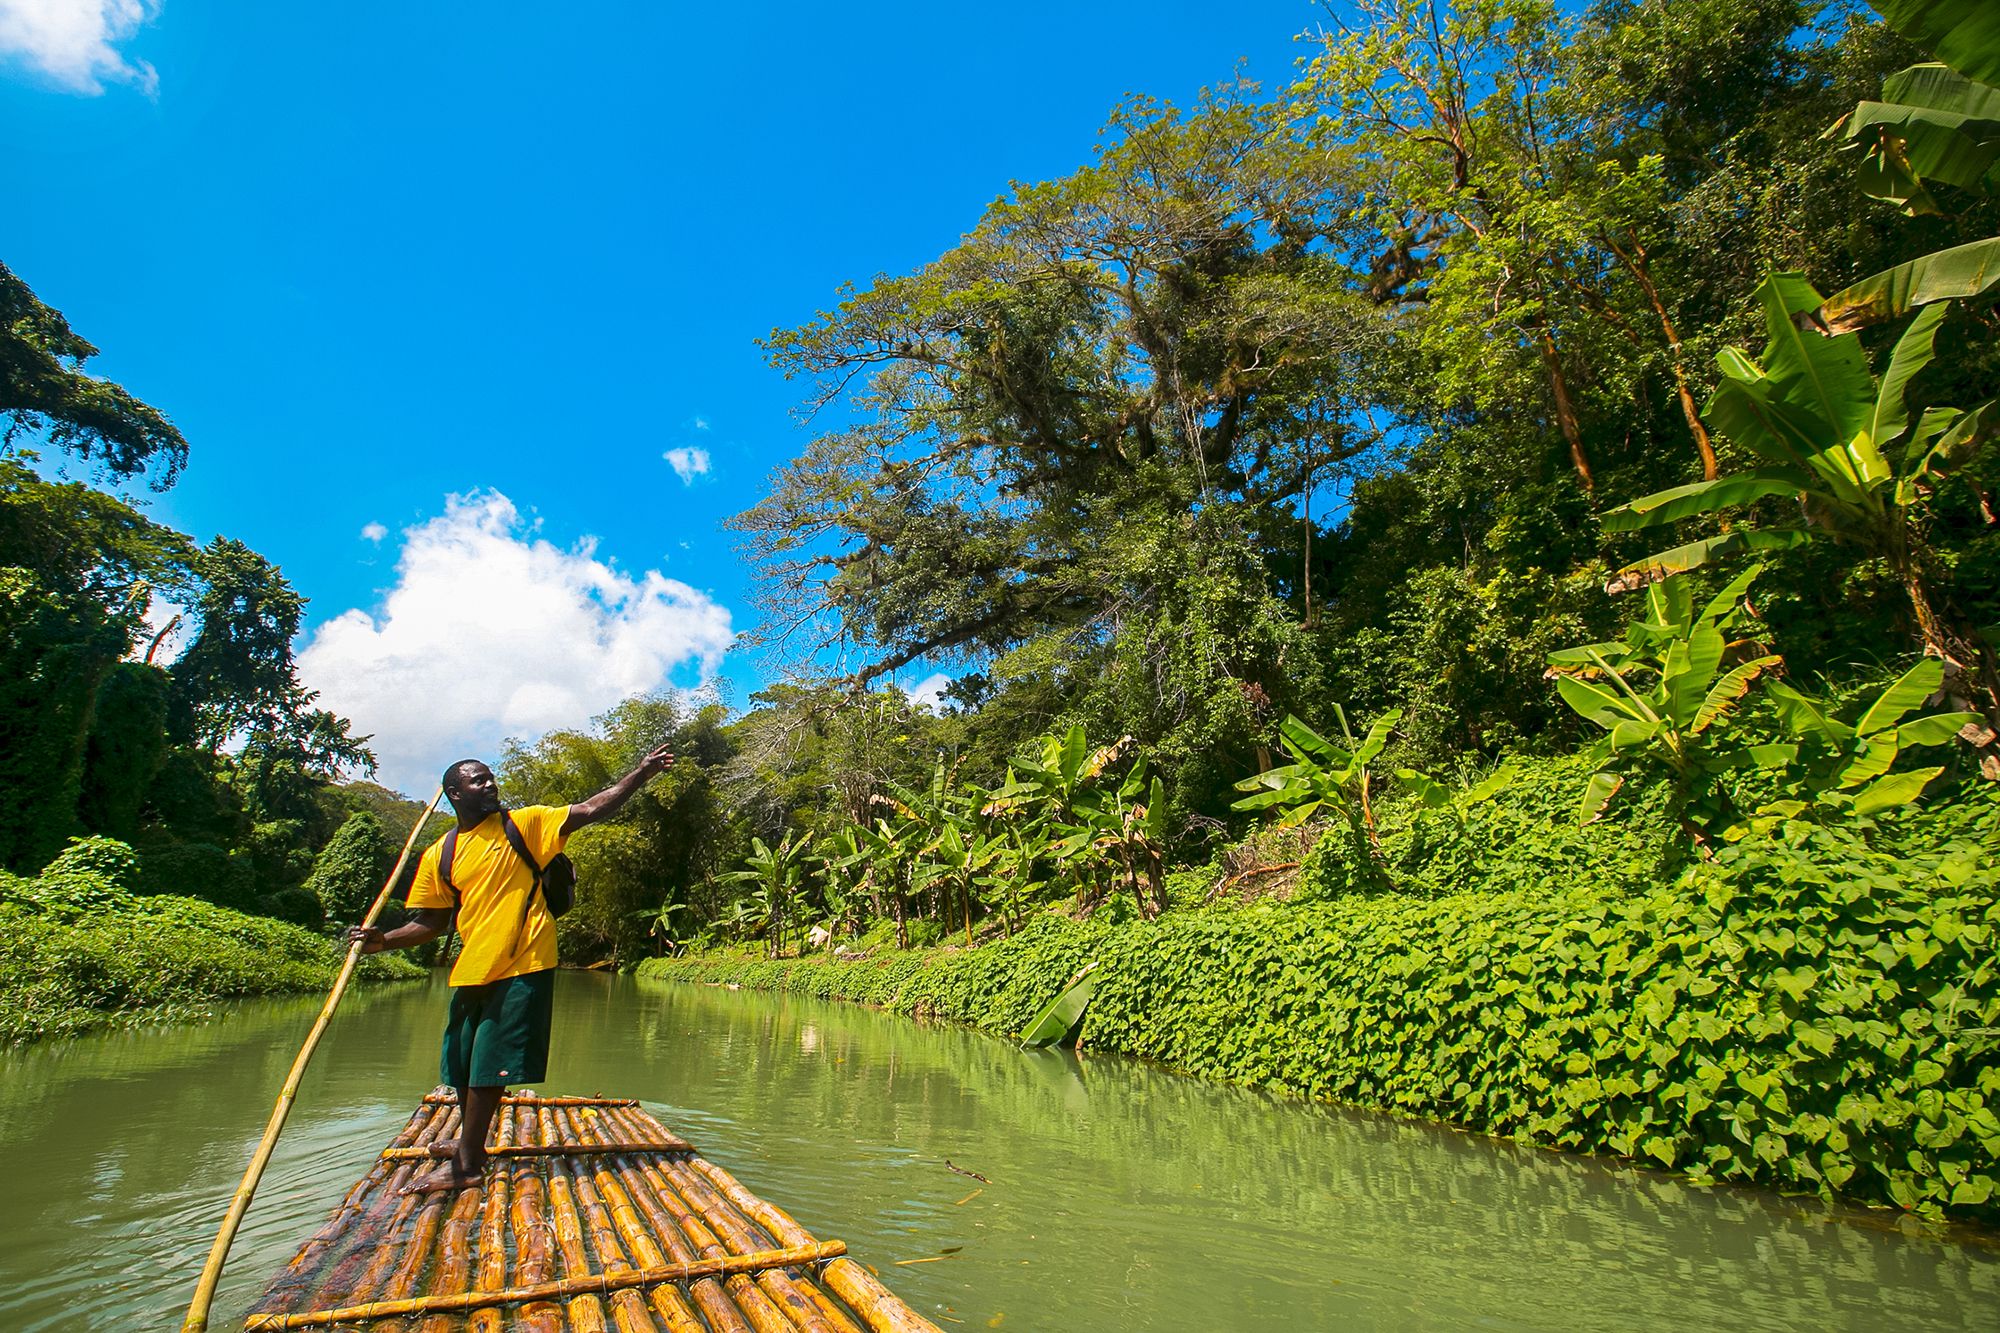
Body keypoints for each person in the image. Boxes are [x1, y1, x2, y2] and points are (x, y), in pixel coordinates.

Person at [347, 744, 674, 1193]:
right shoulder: (440, 853)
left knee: (487, 1066)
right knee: (460, 1065)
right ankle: (470, 1146)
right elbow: (429, 922)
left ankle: (466, 1167)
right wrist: (382, 941)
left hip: (525, 962)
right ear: (454, 794)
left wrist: (640, 773)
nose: (490, 785)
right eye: (477, 780)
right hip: (471, 968)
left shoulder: (524, 824)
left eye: (490, 777)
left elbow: (593, 807)